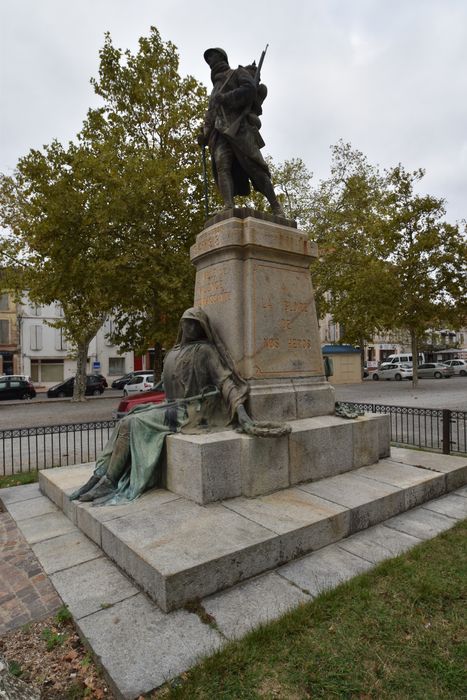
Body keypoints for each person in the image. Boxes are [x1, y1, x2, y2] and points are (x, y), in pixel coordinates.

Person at [69, 307, 281, 505]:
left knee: (130, 423)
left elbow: (225, 382)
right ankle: (98, 477)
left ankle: (109, 481)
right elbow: (165, 384)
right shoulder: (174, 351)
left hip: (188, 413)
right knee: (127, 419)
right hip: (171, 407)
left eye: (194, 324)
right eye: (186, 323)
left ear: (201, 327)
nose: (188, 328)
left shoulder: (205, 351)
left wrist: (242, 415)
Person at [198, 47, 284, 216]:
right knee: (222, 165)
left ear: (221, 57)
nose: (210, 62)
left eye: (212, 57)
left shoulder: (237, 73)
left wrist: (226, 98)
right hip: (220, 133)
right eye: (208, 60)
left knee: (255, 167)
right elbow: (211, 113)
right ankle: (228, 205)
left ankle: (276, 207)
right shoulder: (214, 88)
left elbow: (250, 89)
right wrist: (205, 133)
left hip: (239, 129)